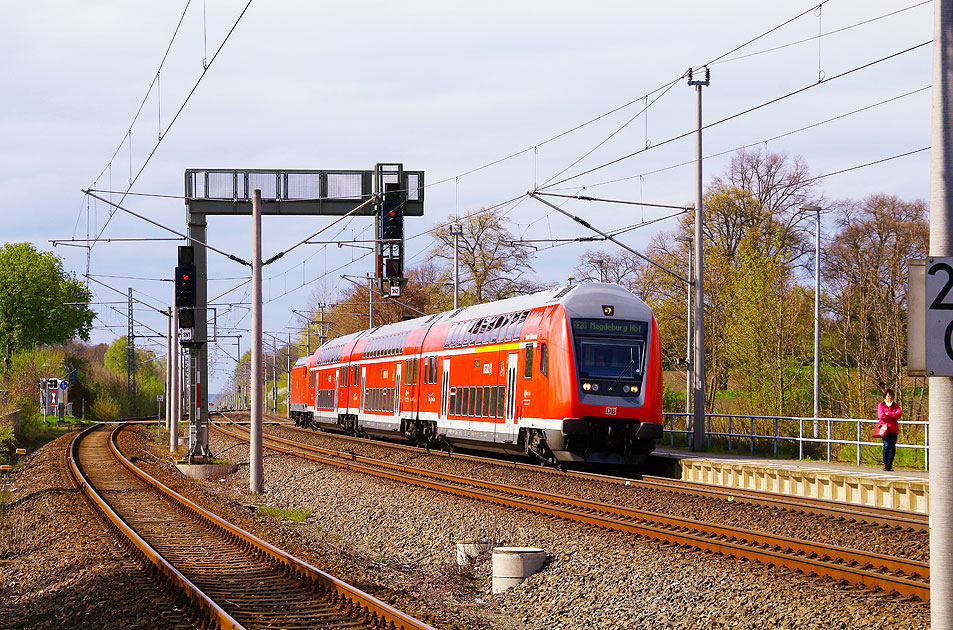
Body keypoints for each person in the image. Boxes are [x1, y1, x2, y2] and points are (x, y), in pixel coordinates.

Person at [876, 388, 902, 471]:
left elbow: (899, 414)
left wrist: (889, 414)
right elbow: (881, 416)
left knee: (892, 447)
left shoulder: (896, 405)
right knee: (886, 446)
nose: (890, 397)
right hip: (884, 429)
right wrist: (892, 416)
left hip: (893, 429)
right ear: (885, 396)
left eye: (891, 396)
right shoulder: (881, 405)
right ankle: (885, 463)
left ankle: (890, 464)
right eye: (888, 395)